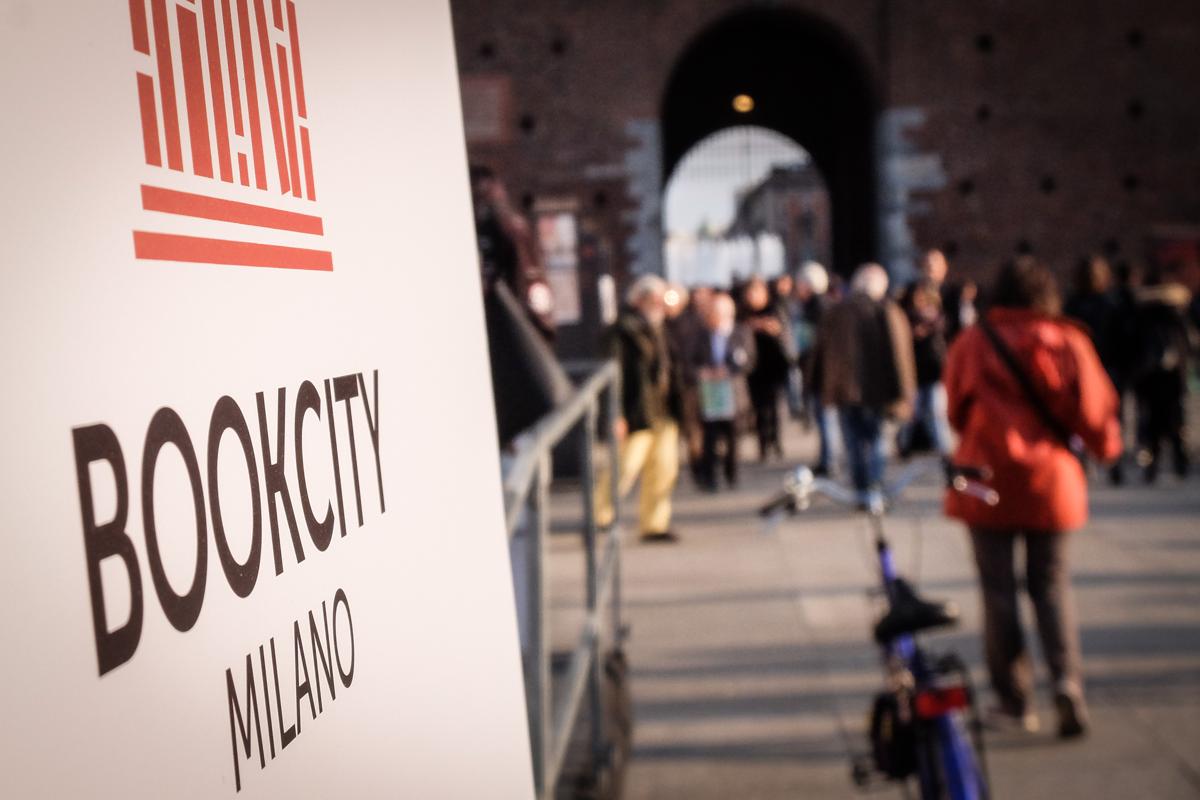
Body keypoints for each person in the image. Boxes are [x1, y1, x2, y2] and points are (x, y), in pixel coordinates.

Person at [944, 257, 1122, 738]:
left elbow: (956, 409)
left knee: (997, 590)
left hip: (988, 479)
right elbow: (1096, 409)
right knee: (1050, 585)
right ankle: (1066, 680)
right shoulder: (1069, 341)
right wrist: (1108, 449)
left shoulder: (974, 343)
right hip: (1051, 480)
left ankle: (1013, 699)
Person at [815, 263, 916, 504]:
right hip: (877, 390)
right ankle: (873, 487)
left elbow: (821, 353)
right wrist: (904, 393)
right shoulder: (887, 311)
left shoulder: (838, 311)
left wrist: (821, 385)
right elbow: (901, 357)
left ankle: (862, 489)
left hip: (847, 390)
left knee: (854, 442)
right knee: (876, 440)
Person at [594, 276, 682, 543]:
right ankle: (601, 516)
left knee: (664, 468)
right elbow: (613, 375)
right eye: (651, 298)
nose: (657, 304)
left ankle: (654, 523)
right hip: (637, 410)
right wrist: (615, 413)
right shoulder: (621, 331)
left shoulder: (661, 327)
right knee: (626, 466)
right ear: (637, 300)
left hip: (663, 409)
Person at [686, 292, 756, 491]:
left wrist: (729, 370)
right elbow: (689, 363)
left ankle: (731, 473)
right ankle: (710, 477)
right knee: (710, 437)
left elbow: (749, 360)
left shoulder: (741, 332)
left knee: (733, 437)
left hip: (732, 393)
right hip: (709, 395)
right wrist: (703, 373)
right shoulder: (701, 335)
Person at [1064, 255, 1125, 482]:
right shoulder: (1110, 303)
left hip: (1081, 368)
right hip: (1106, 366)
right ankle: (1112, 460)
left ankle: (1085, 459)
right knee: (1109, 415)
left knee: (1080, 414)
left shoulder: (1072, 304)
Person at [1130, 268, 1193, 482]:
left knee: (1153, 422)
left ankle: (1152, 466)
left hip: (1150, 376)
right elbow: (1189, 343)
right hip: (1174, 376)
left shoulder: (1142, 314)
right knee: (1176, 420)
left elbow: (1134, 346)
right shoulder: (1176, 314)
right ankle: (1180, 463)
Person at [897, 278, 953, 458]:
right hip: (914, 371)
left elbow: (941, 334)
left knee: (936, 412)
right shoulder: (905, 316)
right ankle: (904, 445)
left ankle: (944, 449)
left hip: (934, 370)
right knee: (913, 413)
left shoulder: (936, 316)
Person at [742, 276, 793, 461]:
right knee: (759, 407)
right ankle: (763, 443)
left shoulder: (774, 308)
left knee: (774, 406)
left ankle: (776, 441)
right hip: (754, 366)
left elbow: (782, 330)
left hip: (774, 364)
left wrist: (768, 327)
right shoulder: (744, 312)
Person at [795, 261, 837, 475]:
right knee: (823, 419)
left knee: (825, 419)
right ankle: (826, 458)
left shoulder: (817, 307)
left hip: (821, 372)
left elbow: (812, 345)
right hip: (820, 371)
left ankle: (829, 461)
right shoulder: (818, 305)